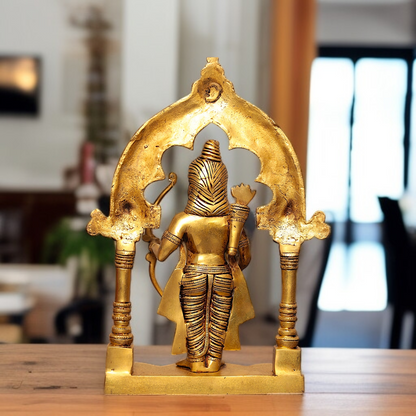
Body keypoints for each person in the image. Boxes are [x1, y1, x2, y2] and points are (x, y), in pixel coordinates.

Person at [150, 139, 255, 372]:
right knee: (218, 324)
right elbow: (245, 260)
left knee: (194, 322)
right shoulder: (231, 220)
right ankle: (213, 361)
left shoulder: (184, 219)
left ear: (194, 185)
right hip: (223, 275)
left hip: (194, 275)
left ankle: (197, 362)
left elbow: (162, 254)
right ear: (222, 184)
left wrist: (153, 244)